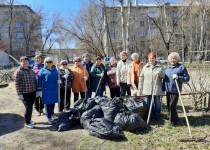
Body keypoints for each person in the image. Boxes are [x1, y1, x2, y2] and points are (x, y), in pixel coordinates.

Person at [164, 52, 190, 126]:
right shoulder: (167, 68)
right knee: (169, 105)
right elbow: (165, 79)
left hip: (175, 89)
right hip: (168, 89)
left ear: (177, 59)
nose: (173, 60)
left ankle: (172, 122)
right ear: (169, 60)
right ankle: (174, 118)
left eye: (174, 58)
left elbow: (187, 78)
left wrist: (179, 77)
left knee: (172, 105)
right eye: (171, 59)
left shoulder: (181, 67)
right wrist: (163, 88)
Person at [138, 52, 165, 121]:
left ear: (155, 59)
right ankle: (149, 115)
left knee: (157, 102)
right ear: (148, 59)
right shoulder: (145, 67)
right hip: (147, 88)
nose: (151, 60)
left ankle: (157, 114)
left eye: (153, 58)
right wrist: (140, 90)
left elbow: (164, 76)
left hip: (156, 88)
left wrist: (160, 73)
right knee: (147, 102)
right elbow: (141, 78)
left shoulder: (159, 67)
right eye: (150, 58)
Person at [14, 56, 37, 129]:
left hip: (32, 92)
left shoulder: (31, 70)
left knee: (31, 107)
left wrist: (37, 90)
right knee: (28, 107)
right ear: (20, 62)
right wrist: (19, 94)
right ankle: (27, 123)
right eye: (23, 61)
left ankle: (29, 119)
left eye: (26, 61)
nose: (24, 63)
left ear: (28, 62)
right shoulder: (18, 71)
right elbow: (17, 83)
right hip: (24, 93)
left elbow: (34, 81)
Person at [37, 57, 61, 125]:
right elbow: (39, 81)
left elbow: (58, 77)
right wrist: (39, 90)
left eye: (50, 61)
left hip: (54, 89)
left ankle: (52, 116)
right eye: (47, 62)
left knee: (52, 103)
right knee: (47, 104)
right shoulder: (42, 70)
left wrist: (59, 81)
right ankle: (49, 118)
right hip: (46, 90)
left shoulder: (55, 69)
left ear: (52, 62)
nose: (49, 63)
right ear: (45, 63)